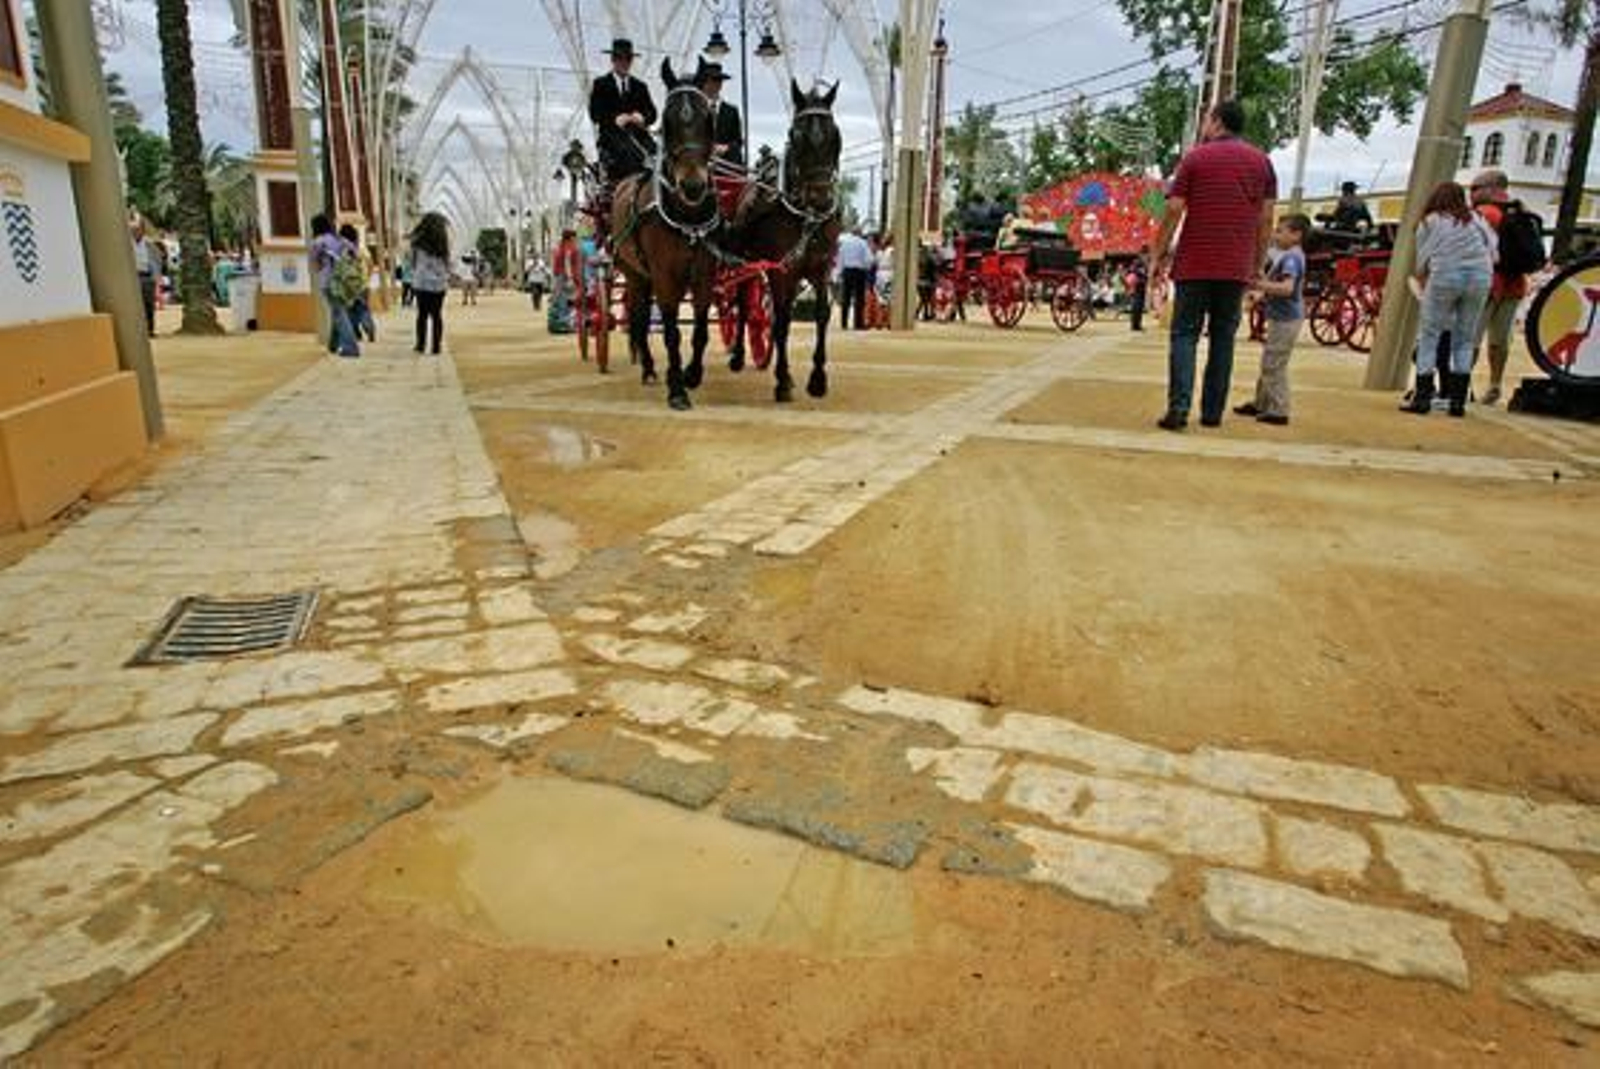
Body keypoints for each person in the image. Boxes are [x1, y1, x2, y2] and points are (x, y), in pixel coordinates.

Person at [1150, 99, 1277, 431]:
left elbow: (1175, 209)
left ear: (1217, 122)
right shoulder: (1262, 163)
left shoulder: (1194, 159)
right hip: (1235, 264)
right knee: (1223, 337)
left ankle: (1178, 407)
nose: (1204, 125)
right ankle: (1211, 413)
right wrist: (1257, 263)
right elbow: (1266, 219)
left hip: (1195, 262)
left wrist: (1157, 252)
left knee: (1184, 334)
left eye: (1206, 119)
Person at [1403, 181, 1496, 417]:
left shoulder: (1431, 221)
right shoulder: (1476, 219)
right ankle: (1457, 401)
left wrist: (1422, 276)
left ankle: (1422, 396)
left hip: (1445, 275)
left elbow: (1422, 258)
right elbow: (1494, 251)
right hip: (1479, 277)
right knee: (1465, 338)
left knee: (1430, 334)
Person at [1234, 213, 1310, 426]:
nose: (1276, 234)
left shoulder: (1291, 258)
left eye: (1280, 230)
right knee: (1270, 362)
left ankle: (1278, 409)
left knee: (1273, 365)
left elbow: (1287, 288)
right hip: (1282, 318)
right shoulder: (1291, 256)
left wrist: (1258, 286)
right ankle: (1262, 402)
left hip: (1286, 320)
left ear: (1296, 235)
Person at [1471, 168, 1529, 406]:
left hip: (1487, 282)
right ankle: (1495, 384)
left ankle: (1461, 383)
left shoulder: (1484, 214)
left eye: (1475, 188)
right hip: (1515, 283)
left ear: (1489, 189)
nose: (1471, 193)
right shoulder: (1520, 211)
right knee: (1500, 338)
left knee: (1470, 336)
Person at [588, 38, 657, 183]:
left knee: (658, 153)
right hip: (612, 138)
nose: (624, 62)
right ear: (613, 60)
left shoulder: (640, 86)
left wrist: (642, 117)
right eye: (620, 58)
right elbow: (595, 113)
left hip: (640, 137)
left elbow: (653, 113)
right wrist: (615, 119)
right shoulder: (601, 84)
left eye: (628, 59)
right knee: (628, 153)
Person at [309, 213, 359, 357]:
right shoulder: (340, 240)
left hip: (328, 282)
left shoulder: (317, 242)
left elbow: (316, 265)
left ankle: (351, 347)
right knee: (338, 311)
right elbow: (354, 252)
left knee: (339, 313)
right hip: (343, 282)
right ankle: (333, 344)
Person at [408, 211, 451, 355]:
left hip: (422, 283)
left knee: (422, 315)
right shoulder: (443, 243)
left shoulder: (417, 242)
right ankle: (436, 347)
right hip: (439, 284)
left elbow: (413, 262)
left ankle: (420, 345)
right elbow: (447, 264)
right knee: (437, 315)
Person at [696, 61, 743, 167]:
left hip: (726, 168)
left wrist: (725, 148)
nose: (714, 84)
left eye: (718, 81)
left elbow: (738, 141)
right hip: (699, 167)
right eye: (711, 81)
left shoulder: (731, 111)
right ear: (703, 83)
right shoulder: (695, 110)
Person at [338, 224, 377, 343]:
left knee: (350, 310)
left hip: (348, 286)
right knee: (364, 309)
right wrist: (367, 278)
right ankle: (369, 328)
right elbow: (371, 264)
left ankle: (356, 333)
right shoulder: (362, 249)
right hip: (363, 285)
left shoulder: (341, 250)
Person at [836, 228, 872, 330]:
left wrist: (839, 273)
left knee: (845, 297)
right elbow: (868, 259)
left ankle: (844, 323)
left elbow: (840, 258)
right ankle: (858, 324)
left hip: (847, 271)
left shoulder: (845, 244)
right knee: (859, 299)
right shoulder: (862, 243)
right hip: (859, 272)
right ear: (859, 233)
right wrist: (866, 267)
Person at [131, 219, 160, 337]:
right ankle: (138, 331)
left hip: (148, 277)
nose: (135, 232)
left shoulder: (149, 244)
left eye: (138, 230)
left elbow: (157, 259)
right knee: (136, 305)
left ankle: (150, 329)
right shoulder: (127, 244)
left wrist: (156, 276)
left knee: (149, 304)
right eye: (133, 230)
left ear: (142, 231)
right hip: (134, 277)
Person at [1125, 251, 1149, 332]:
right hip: (1137, 287)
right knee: (1137, 306)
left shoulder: (1142, 264)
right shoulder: (1138, 263)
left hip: (1140, 287)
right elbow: (1134, 273)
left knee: (1138, 307)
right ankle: (1135, 325)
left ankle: (1136, 324)